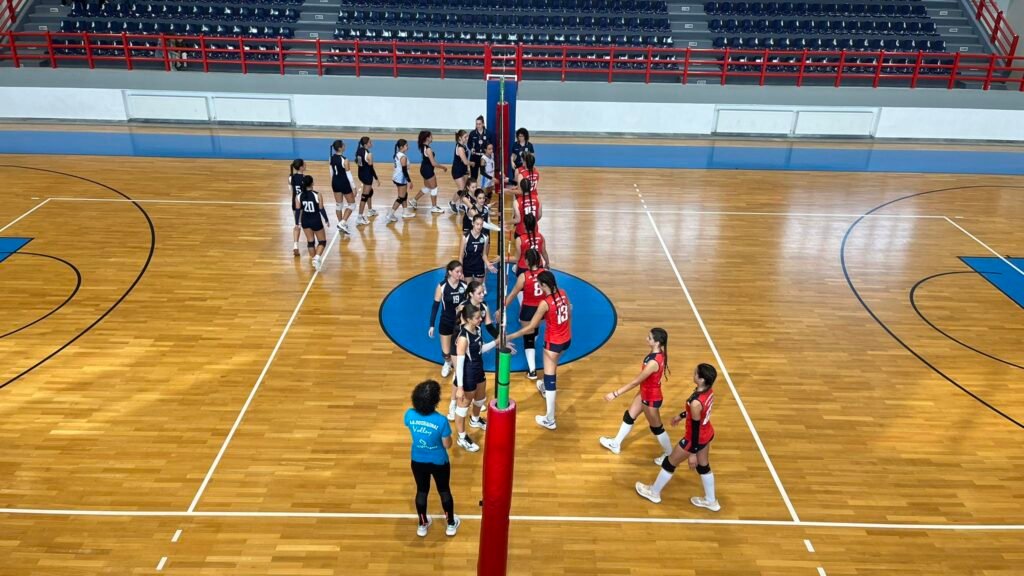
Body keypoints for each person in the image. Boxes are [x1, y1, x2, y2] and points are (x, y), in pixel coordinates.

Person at [635, 363, 720, 512]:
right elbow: (699, 413)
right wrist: (681, 416)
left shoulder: (695, 403)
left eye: (696, 373)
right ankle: (711, 501)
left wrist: (692, 453)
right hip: (707, 433)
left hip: (694, 438)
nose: (693, 374)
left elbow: (695, 427)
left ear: (701, 379)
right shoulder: (708, 391)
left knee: (669, 463)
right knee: (703, 467)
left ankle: (654, 492)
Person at [506, 271, 570, 430]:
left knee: (550, 377)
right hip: (566, 340)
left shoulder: (545, 303)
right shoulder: (563, 293)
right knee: (552, 368)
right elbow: (569, 312)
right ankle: (544, 387)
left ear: (544, 285)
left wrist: (511, 336)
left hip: (553, 344)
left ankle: (550, 419)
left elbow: (531, 327)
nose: (539, 288)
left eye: (540, 286)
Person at [598, 328, 673, 462]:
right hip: (645, 392)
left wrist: (615, 393)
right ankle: (616, 444)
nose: (646, 339)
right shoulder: (659, 353)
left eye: (649, 338)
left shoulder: (653, 363)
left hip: (650, 398)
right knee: (629, 416)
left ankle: (670, 455)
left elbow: (635, 382)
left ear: (657, 343)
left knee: (657, 428)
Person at [404, 379, 460, 537]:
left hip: (417, 460)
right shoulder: (441, 421)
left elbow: (412, 427)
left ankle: (422, 525)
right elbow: (447, 444)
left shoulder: (409, 415)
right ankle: (450, 524)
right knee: (444, 490)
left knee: (422, 491)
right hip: (439, 461)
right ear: (435, 401)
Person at [453, 303, 507, 453]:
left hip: (478, 369)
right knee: (462, 408)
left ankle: (475, 420)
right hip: (468, 374)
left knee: (481, 398)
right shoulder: (463, 338)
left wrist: (495, 343)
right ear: (469, 319)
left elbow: (480, 349)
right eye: (477, 318)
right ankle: (462, 437)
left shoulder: (477, 329)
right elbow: (459, 365)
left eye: (480, 317)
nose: (480, 320)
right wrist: (460, 387)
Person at [503, 248, 546, 380]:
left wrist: (502, 309)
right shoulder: (546, 273)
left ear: (527, 261)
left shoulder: (524, 276)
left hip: (528, 311)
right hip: (542, 310)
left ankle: (532, 371)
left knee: (528, 338)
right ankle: (532, 343)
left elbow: (512, 294)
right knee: (535, 331)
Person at [429, 260, 467, 382]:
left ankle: (457, 370)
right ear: (450, 272)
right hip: (446, 321)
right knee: (446, 352)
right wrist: (431, 325)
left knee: (459, 349)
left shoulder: (464, 286)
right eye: (457, 271)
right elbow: (435, 306)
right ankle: (447, 363)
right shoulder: (442, 286)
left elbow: (469, 304)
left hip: (460, 323)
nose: (460, 274)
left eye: (461, 271)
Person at [293, 175, 330, 270]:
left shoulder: (299, 196)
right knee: (322, 241)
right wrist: (326, 219)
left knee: (310, 242)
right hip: (316, 220)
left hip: (305, 221)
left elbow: (297, 211)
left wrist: (297, 223)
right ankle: (317, 258)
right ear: (312, 183)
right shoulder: (317, 194)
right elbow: (321, 209)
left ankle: (314, 261)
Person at [413, 130, 447, 214]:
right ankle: (434, 207)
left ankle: (414, 200)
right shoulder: (428, 149)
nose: (432, 138)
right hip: (428, 170)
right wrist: (443, 167)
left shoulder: (423, 146)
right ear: (427, 138)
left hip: (424, 169)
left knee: (428, 187)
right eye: (431, 136)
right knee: (434, 188)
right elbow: (433, 163)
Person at [329, 140, 356, 235]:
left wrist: (333, 182)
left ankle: (341, 224)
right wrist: (354, 187)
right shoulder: (345, 160)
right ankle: (342, 223)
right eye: (343, 145)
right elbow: (349, 175)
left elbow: (331, 172)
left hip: (335, 182)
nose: (345, 145)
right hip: (344, 183)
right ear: (340, 148)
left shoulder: (331, 158)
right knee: (352, 205)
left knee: (339, 205)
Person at [460, 214, 497, 282]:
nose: (479, 227)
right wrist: (460, 271)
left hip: (479, 266)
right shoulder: (465, 237)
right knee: (469, 287)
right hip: (467, 266)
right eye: (477, 224)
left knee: (478, 287)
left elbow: (484, 254)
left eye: (481, 224)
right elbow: (461, 256)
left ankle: (483, 284)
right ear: (473, 223)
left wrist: (487, 263)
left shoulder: (485, 237)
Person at [387, 138, 415, 223]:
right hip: (401, 179)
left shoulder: (398, 154)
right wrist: (409, 181)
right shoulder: (403, 157)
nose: (408, 147)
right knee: (401, 197)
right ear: (402, 147)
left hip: (397, 177)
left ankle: (405, 212)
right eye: (406, 145)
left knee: (404, 194)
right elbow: (404, 171)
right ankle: (390, 214)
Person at [354, 136, 379, 226]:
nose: (371, 143)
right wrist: (376, 178)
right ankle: (359, 217)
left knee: (370, 192)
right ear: (365, 144)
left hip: (361, 174)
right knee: (364, 196)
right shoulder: (369, 154)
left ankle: (370, 210)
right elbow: (371, 169)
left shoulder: (359, 151)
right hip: (367, 176)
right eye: (370, 142)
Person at [449, 130, 471, 212]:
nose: (467, 138)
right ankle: (452, 202)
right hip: (457, 170)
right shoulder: (460, 147)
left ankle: (462, 204)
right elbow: (465, 161)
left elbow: (464, 162)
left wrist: (467, 170)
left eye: (467, 136)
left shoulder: (464, 145)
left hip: (463, 169)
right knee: (461, 189)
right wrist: (472, 163)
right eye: (465, 137)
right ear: (460, 138)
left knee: (465, 189)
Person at [288, 158, 306, 256]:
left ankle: (295, 245)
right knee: (307, 224)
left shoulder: (291, 177)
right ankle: (311, 243)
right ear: (301, 167)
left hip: (294, 203)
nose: (306, 165)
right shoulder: (305, 178)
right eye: (304, 164)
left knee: (297, 224)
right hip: (303, 204)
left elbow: (291, 190)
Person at [468, 115, 490, 184]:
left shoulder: (488, 133)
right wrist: (471, 148)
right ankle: (473, 189)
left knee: (485, 176)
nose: (478, 126)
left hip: (484, 157)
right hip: (474, 157)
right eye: (477, 124)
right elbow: (469, 144)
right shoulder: (472, 133)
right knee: (473, 176)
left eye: (479, 124)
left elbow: (491, 145)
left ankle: (486, 190)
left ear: (483, 124)